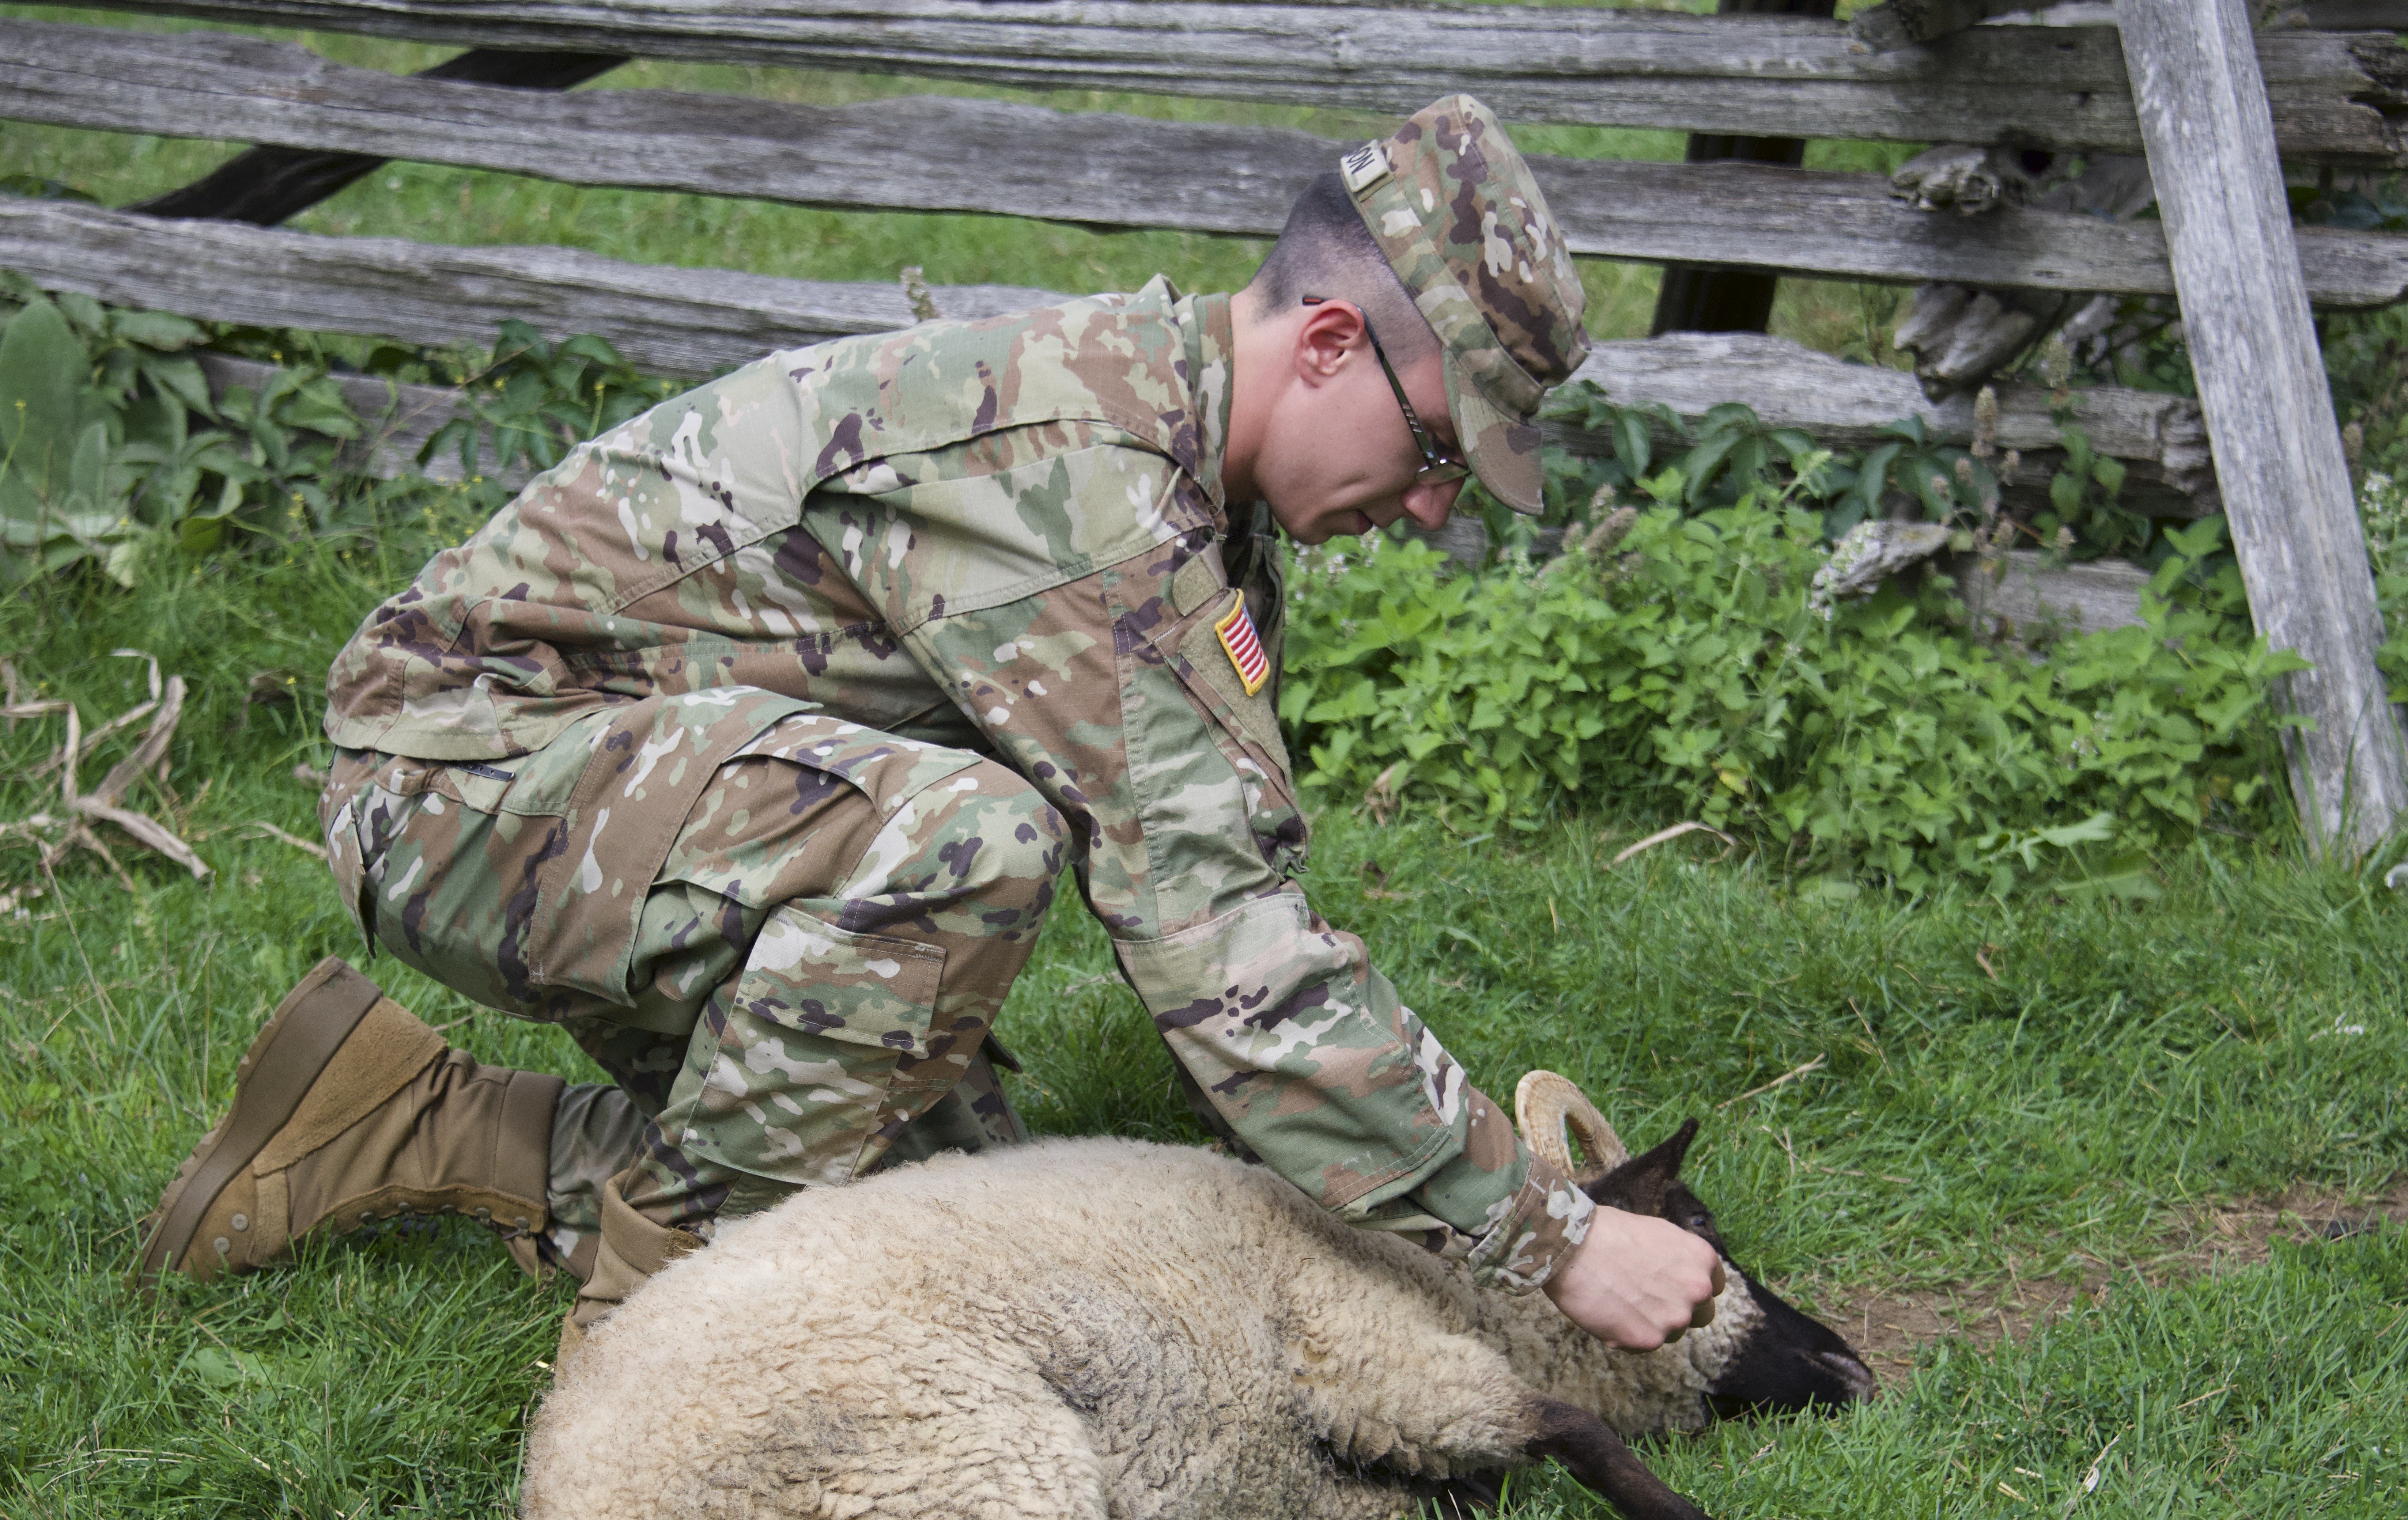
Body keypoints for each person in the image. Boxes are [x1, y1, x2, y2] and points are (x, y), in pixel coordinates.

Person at [140, 94, 1727, 1357]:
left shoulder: (1192, 492)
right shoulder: (1086, 481)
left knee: (972, 1235)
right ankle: (656, 1343)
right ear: (1326, 345)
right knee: (975, 848)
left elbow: (1234, 876)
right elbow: (1215, 944)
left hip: (647, 799)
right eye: (1442, 448)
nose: (1434, 505)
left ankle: (403, 1112)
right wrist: (1555, 1240)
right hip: (460, 783)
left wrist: (1377, 1188)